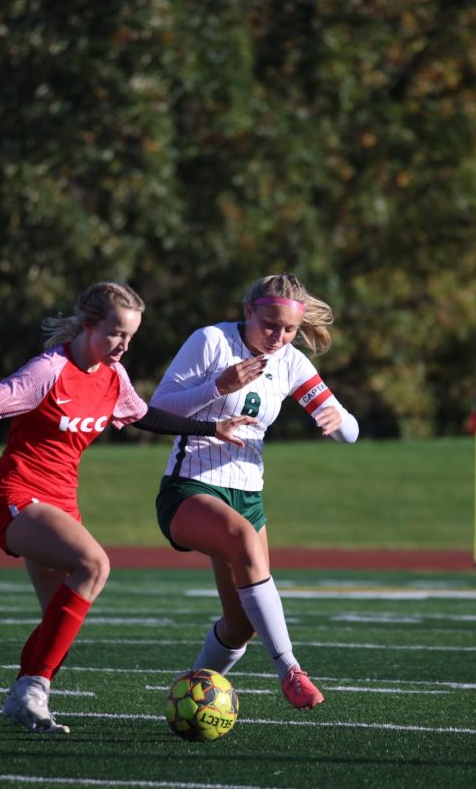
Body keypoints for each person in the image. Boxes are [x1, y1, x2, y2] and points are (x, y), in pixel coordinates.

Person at [0, 281, 255, 735]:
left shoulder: (114, 377)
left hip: (60, 502)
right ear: (88, 325)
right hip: (16, 497)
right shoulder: (49, 370)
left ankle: (25, 695)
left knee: (59, 628)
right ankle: (30, 689)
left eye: (131, 336)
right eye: (115, 334)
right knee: (94, 564)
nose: (123, 345)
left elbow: (145, 416)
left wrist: (213, 425)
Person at [150, 272, 359, 710]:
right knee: (243, 537)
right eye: (269, 324)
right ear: (248, 312)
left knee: (239, 625)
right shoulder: (210, 341)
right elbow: (155, 410)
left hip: (248, 494)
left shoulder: (291, 362)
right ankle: (290, 670)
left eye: (289, 329)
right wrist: (218, 387)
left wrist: (338, 423)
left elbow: (350, 429)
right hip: (189, 487)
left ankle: (192, 695)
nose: (279, 336)